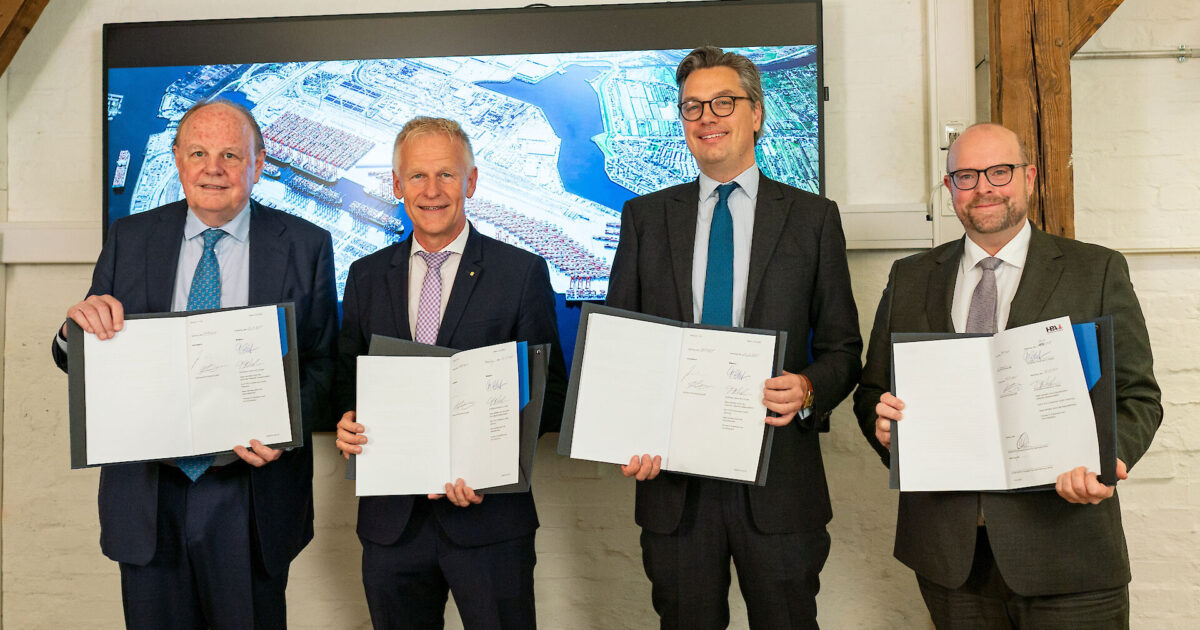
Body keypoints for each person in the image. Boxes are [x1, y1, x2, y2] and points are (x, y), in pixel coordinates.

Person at [853, 122, 1162, 628]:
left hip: (1069, 553)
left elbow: (1138, 394)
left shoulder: (1096, 270)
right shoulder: (910, 276)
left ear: (1029, 178)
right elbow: (872, 392)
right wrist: (884, 427)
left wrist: (1111, 459)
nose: (984, 188)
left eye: (999, 171)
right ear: (950, 187)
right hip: (951, 559)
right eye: (967, 176)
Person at [51, 98, 337, 629]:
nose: (213, 169)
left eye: (231, 154)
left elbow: (323, 363)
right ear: (178, 160)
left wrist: (284, 427)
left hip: (250, 495)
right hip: (147, 493)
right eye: (199, 153)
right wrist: (74, 333)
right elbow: (88, 349)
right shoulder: (129, 238)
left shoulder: (305, 244)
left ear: (258, 163)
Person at [606, 46, 862, 629]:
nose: (707, 118)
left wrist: (807, 388)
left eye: (724, 102)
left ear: (756, 114)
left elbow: (843, 350)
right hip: (675, 486)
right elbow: (620, 347)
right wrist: (628, 433)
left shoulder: (813, 219)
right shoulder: (645, 219)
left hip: (779, 482)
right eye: (692, 107)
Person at [334, 116, 566, 630]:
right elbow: (347, 380)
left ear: (471, 182)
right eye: (417, 176)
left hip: (488, 521)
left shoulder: (521, 272)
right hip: (392, 526)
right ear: (397, 185)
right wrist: (346, 419)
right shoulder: (366, 276)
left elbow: (551, 392)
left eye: (446, 174)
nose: (432, 190)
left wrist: (489, 462)